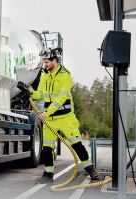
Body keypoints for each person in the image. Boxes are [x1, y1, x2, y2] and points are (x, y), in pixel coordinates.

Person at [29, 48, 99, 184]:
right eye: (44, 61)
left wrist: (46, 113)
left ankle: (91, 170)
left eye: (47, 61)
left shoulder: (65, 76)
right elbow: (41, 95)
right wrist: (32, 92)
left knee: (77, 144)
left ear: (55, 61)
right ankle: (48, 175)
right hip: (50, 119)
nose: (45, 64)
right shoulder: (45, 76)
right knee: (47, 147)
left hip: (66, 118)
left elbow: (61, 98)